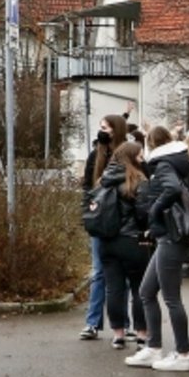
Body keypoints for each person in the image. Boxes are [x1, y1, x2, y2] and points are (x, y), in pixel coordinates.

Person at [126, 125, 189, 372]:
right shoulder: (175, 161)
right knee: (146, 292)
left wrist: (155, 211)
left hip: (170, 237)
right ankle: (153, 348)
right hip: (169, 236)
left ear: (151, 144)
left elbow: (172, 190)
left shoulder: (163, 164)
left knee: (171, 298)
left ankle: (183, 354)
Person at [96, 140, 153, 349]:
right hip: (133, 240)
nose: (143, 158)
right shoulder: (138, 180)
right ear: (131, 158)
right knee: (139, 288)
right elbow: (143, 214)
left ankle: (118, 334)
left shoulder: (103, 180)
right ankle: (141, 334)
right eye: (139, 155)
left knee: (113, 288)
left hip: (107, 241)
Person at [78, 114, 123, 341]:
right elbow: (87, 186)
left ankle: (123, 324)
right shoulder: (96, 154)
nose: (102, 131)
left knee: (122, 275)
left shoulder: (125, 154)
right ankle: (93, 322)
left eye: (106, 128)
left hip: (122, 222)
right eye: (101, 127)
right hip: (100, 220)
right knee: (98, 273)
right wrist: (89, 212)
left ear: (116, 130)